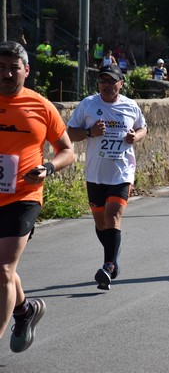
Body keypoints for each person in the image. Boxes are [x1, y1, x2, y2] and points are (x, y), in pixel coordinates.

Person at [0, 41, 75, 353]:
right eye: (1, 67)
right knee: (3, 269)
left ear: (26, 71)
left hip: (24, 196)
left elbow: (67, 151)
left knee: (3, 269)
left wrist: (48, 167)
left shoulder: (42, 106)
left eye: (13, 68)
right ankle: (25, 310)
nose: (6, 73)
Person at [67, 64, 148, 290]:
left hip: (121, 172)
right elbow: (70, 132)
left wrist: (136, 136)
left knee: (113, 216)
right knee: (101, 224)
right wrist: (89, 132)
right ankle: (113, 259)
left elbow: (143, 128)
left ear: (121, 84)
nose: (107, 86)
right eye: (103, 81)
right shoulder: (88, 105)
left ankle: (108, 266)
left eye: (112, 81)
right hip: (95, 174)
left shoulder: (131, 106)